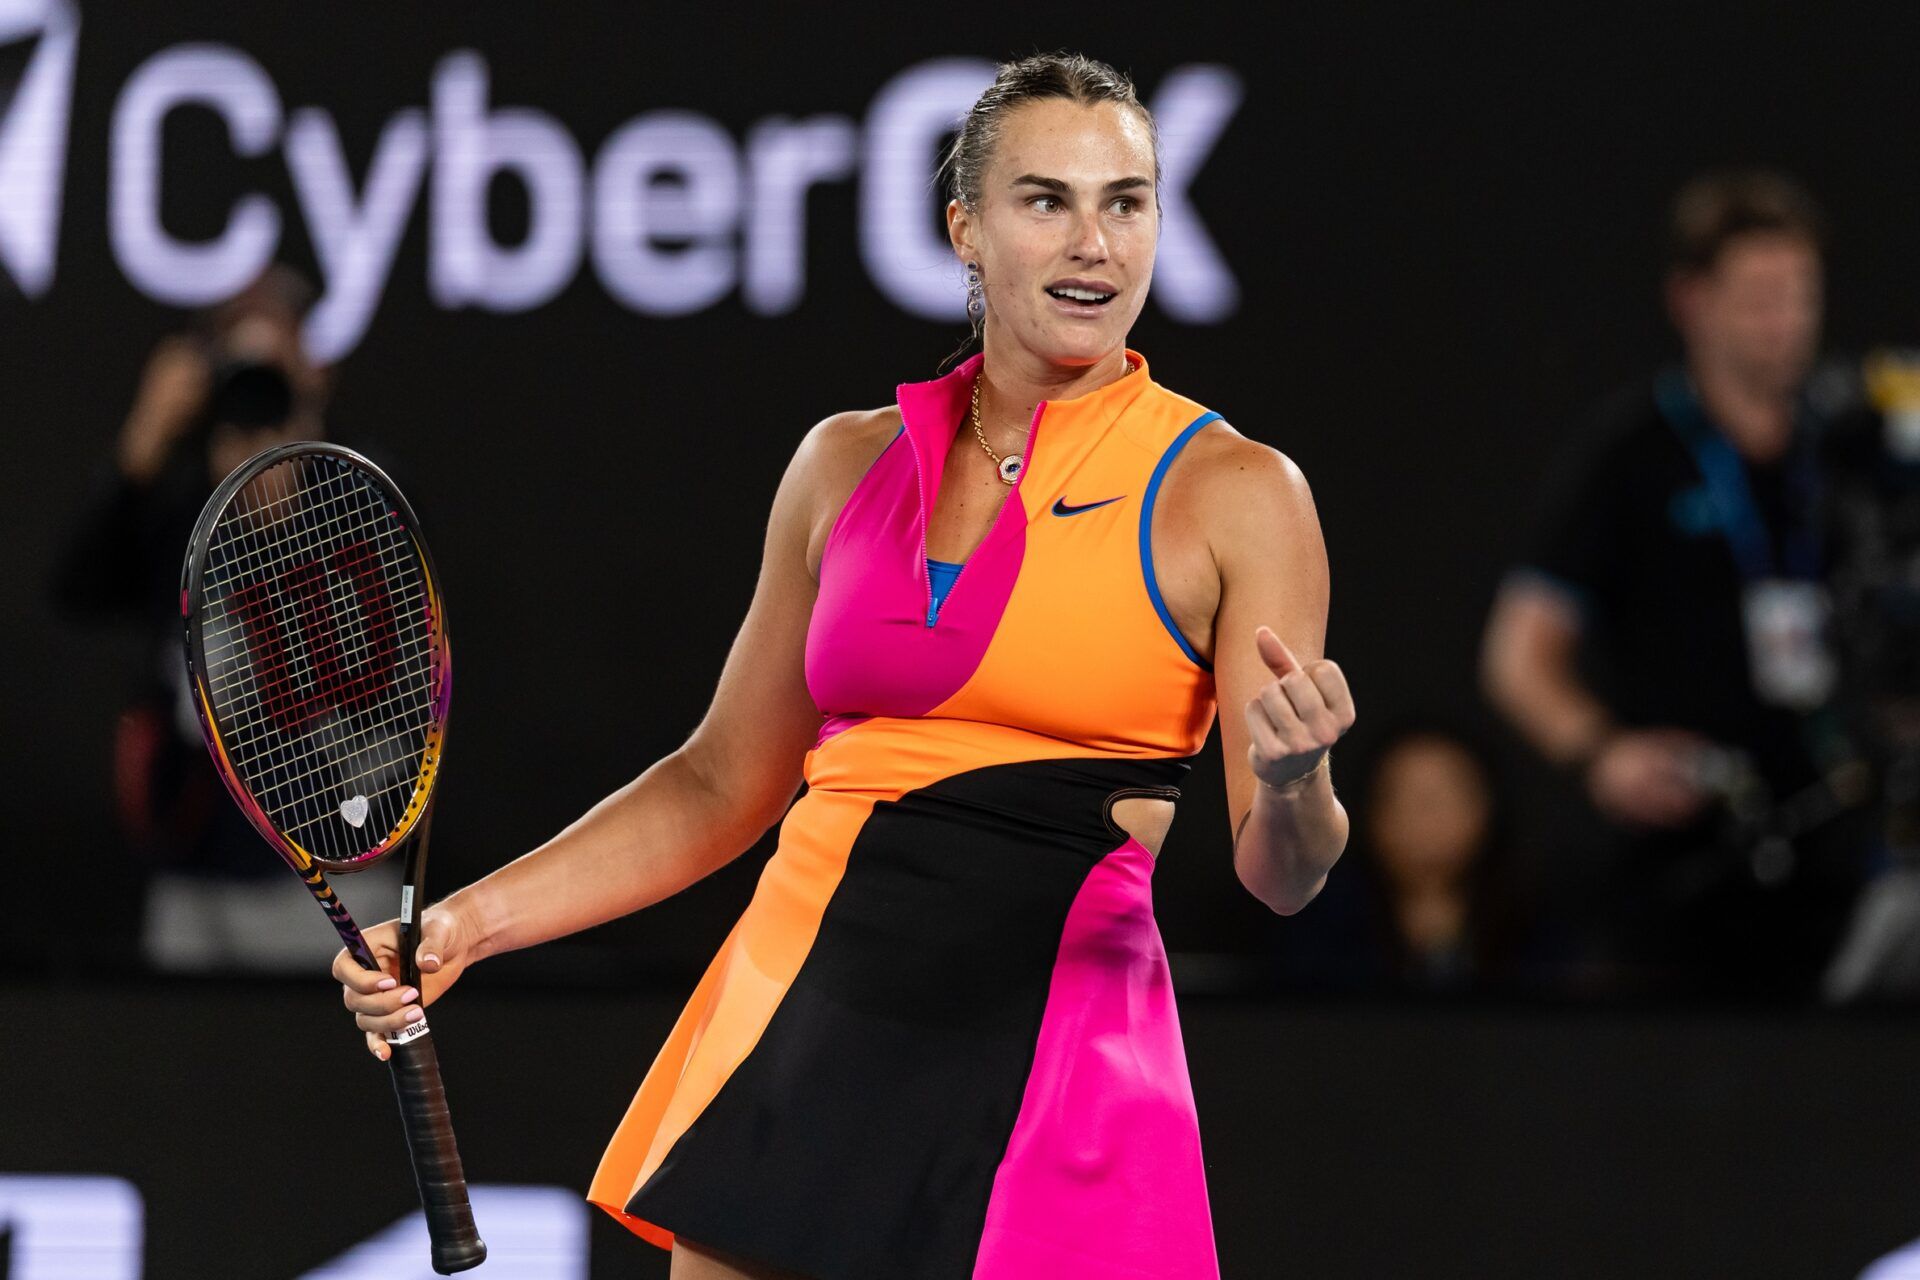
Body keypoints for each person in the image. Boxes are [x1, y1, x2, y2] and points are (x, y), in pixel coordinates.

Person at [337, 52, 1357, 1279]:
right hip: (802, 1026)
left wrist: (1297, 781)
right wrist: (466, 923)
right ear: (964, 229)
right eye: (1047, 200)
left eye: (1126, 201)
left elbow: (1284, 877)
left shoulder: (1240, 491)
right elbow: (721, 781)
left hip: (1057, 1069)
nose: (1095, 243)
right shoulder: (842, 464)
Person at [1481, 170, 1870, 996]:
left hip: (1839, 843)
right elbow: (1518, 653)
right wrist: (1601, 753)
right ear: (1692, 299)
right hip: (1679, 858)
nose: (1787, 324)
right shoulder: (1632, 454)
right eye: (1762, 298)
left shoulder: (1849, 452)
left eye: (1802, 296)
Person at [50, 264, 393, 972]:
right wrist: (142, 443)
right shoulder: (182, 510)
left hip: (334, 870)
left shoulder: (362, 495)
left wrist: (293, 494)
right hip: (194, 873)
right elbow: (77, 588)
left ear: (313, 370)